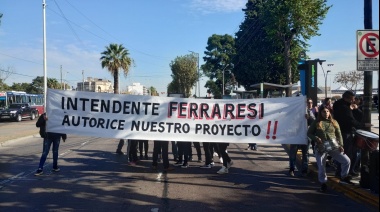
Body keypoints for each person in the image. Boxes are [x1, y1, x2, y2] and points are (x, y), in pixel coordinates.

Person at [307, 106, 353, 192]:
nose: (326, 113)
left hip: (333, 146)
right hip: (321, 147)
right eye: (324, 112)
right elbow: (309, 133)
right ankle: (323, 183)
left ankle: (343, 177)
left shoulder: (334, 122)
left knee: (346, 161)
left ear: (330, 112)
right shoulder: (317, 122)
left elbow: (339, 134)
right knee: (321, 167)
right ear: (320, 113)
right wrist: (316, 138)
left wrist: (341, 145)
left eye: (327, 111)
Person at [333, 91, 371, 176]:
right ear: (348, 98)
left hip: (345, 131)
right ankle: (342, 173)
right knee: (347, 154)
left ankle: (347, 171)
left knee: (351, 153)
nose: (354, 100)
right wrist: (363, 125)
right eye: (353, 99)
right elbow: (351, 120)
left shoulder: (341, 105)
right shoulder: (344, 108)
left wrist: (355, 109)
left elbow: (357, 116)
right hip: (345, 132)